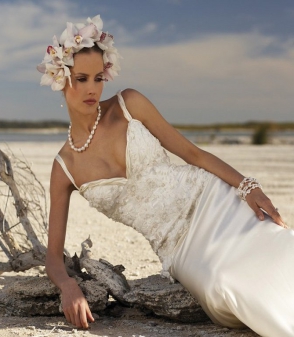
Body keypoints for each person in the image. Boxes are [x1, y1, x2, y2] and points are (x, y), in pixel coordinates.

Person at [37, 15, 293, 336]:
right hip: (178, 248)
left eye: (98, 78)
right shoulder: (63, 168)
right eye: (81, 79)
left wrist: (247, 186)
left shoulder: (129, 104)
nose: (92, 88)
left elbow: (193, 154)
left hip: (210, 201)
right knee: (223, 285)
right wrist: (68, 287)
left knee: (280, 251)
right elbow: (53, 260)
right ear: (60, 78)